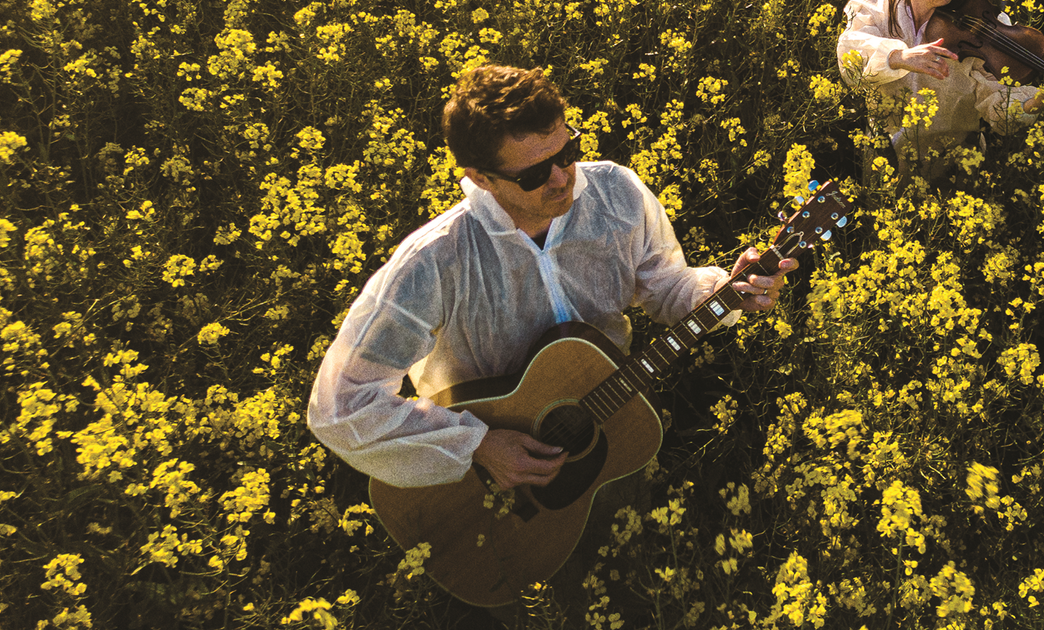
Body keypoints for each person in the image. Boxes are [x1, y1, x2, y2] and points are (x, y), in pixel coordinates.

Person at [306, 64, 795, 624]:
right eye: (535, 173)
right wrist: (477, 444)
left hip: (610, 439)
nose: (563, 179)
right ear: (480, 177)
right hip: (483, 490)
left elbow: (665, 286)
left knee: (621, 584)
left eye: (568, 152)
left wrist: (724, 290)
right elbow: (339, 406)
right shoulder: (434, 261)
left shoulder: (615, 194)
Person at [837, 0, 1044, 178]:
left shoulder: (980, 21)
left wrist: (1040, 100)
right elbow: (850, 57)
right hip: (886, 157)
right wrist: (897, 57)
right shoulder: (874, 8)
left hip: (956, 163)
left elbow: (996, 102)